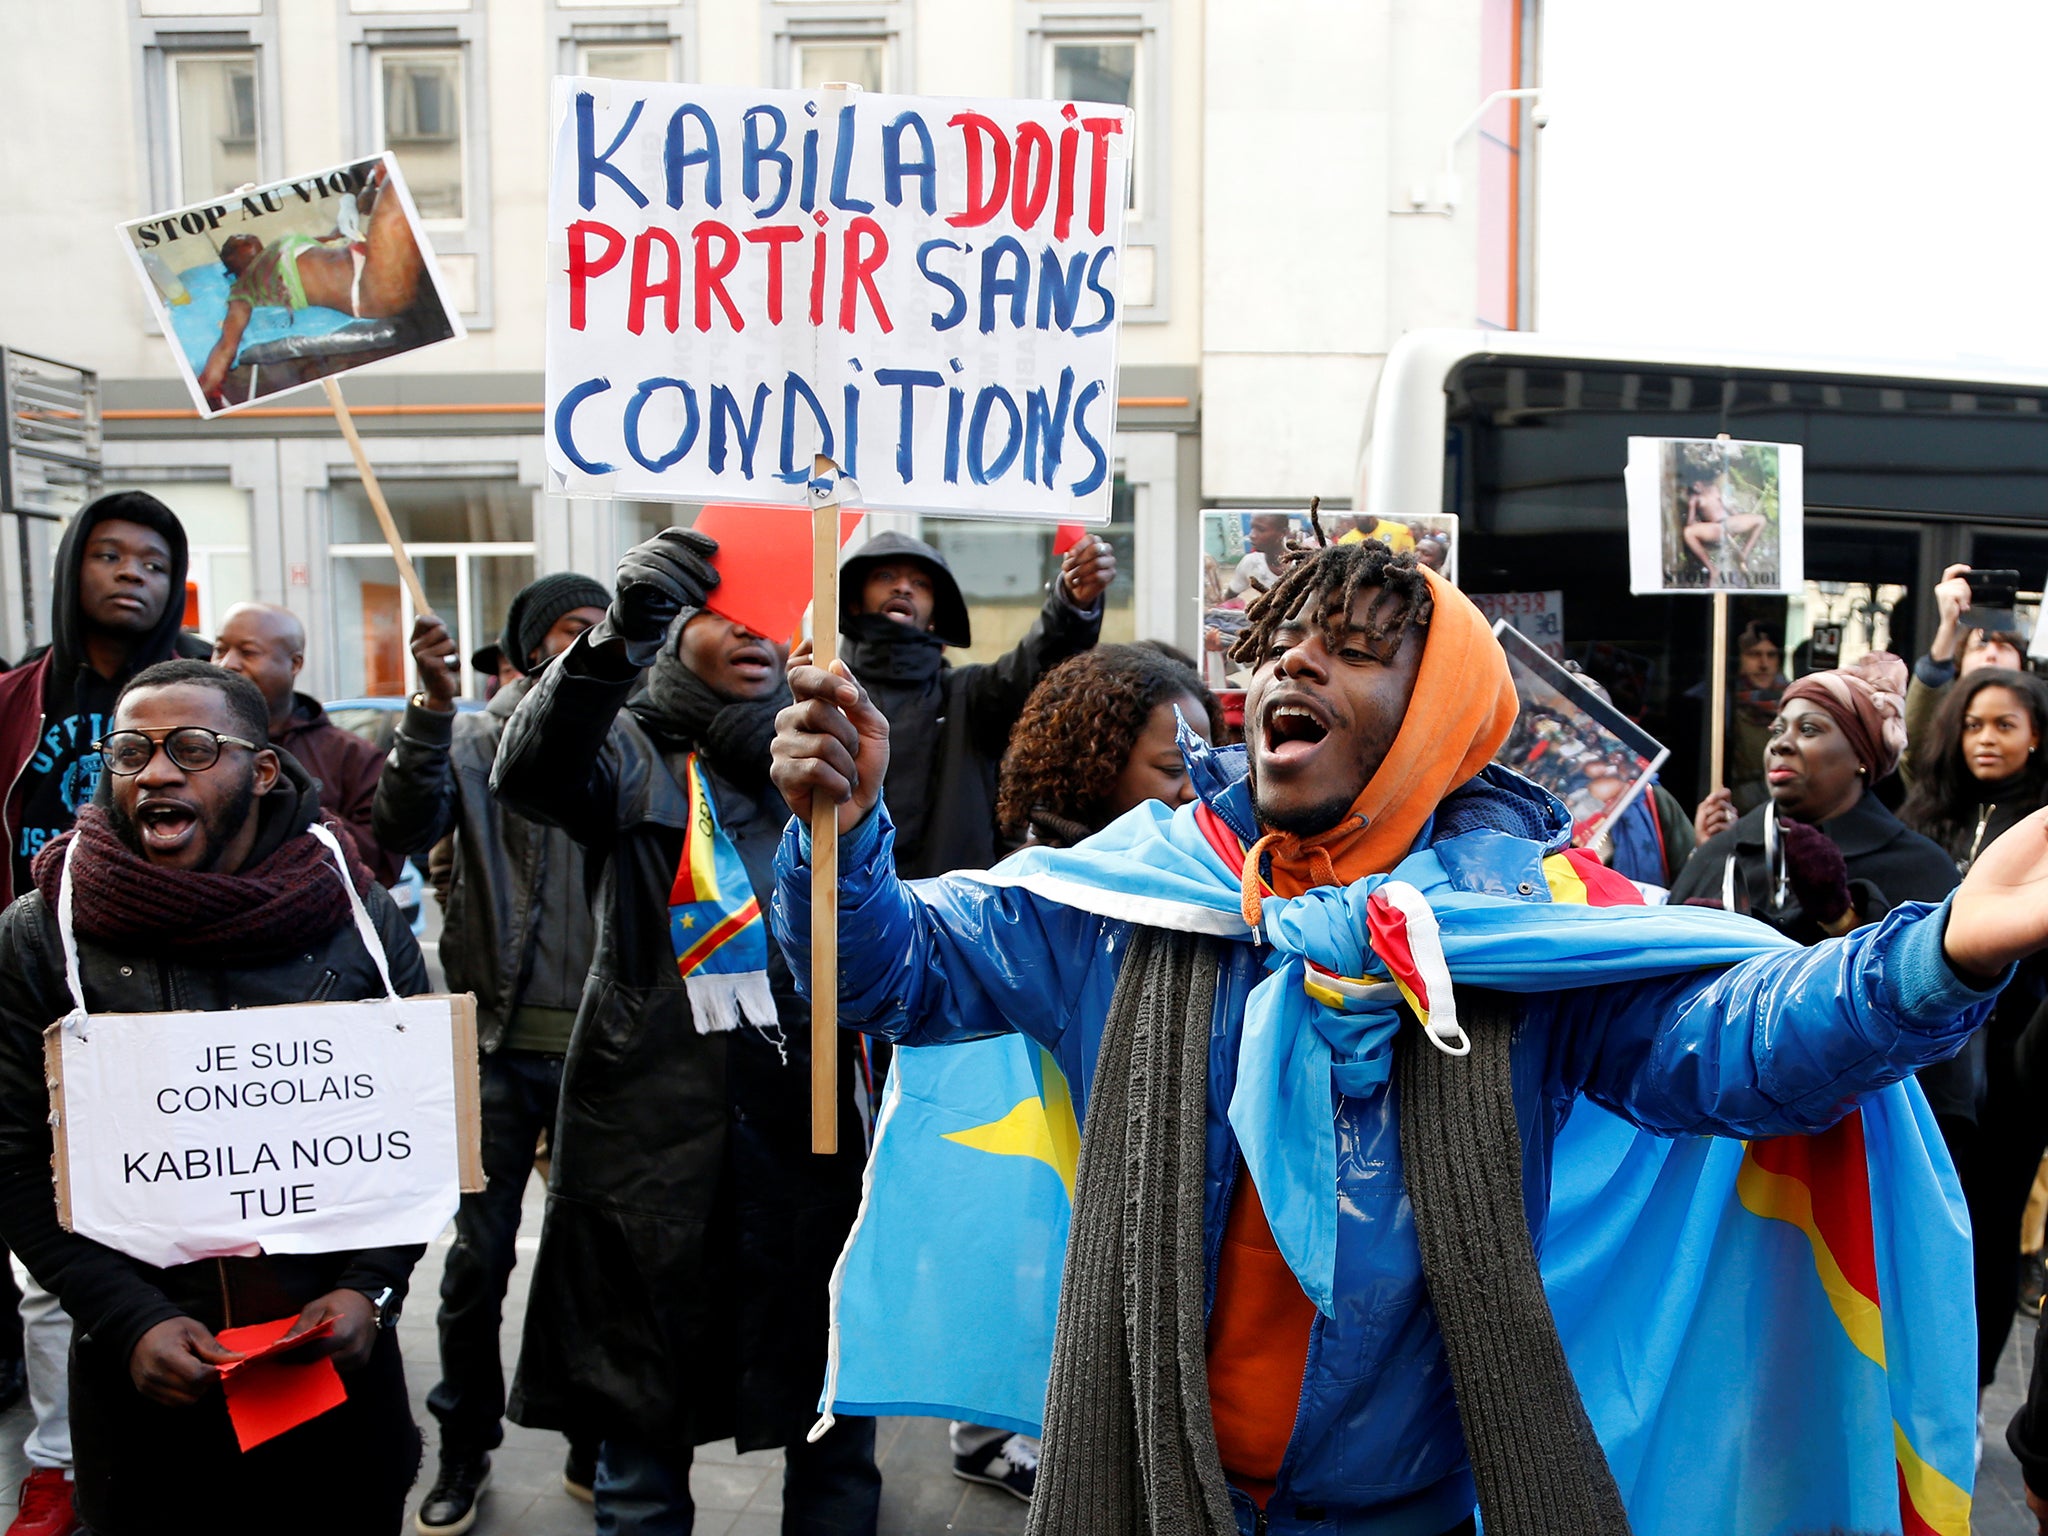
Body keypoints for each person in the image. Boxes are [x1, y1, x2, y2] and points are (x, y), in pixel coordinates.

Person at [769, 538, 2023, 1536]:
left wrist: (1940, 947)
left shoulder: (1515, 934)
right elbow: (885, 972)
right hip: (1136, 1487)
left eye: (1354, 653)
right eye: (1277, 650)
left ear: (1437, 715)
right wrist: (841, 834)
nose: (1292, 672)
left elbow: (1736, 1044)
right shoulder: (1129, 894)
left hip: (1406, 1509)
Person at [490, 530, 879, 1536]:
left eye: (771, 613)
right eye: (722, 611)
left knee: (836, 1436)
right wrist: (614, 640)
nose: (753, 634)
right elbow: (528, 774)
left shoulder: (830, 749)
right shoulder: (630, 740)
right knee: (639, 1455)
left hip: (810, 1134)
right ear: (677, 625)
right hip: (647, 1148)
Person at [0, 661, 431, 1536]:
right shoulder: (43, 933)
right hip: (149, 1393)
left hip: (330, 1369)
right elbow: (12, 1159)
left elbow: (423, 1137)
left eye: (193, 749)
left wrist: (370, 1292)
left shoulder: (364, 920)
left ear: (263, 771)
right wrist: (128, 1320)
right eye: (130, 752)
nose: (156, 773)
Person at [372, 574, 610, 1534]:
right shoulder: (474, 742)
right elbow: (398, 830)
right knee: (475, 1267)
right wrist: (429, 711)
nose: (591, 648)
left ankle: (597, 1437)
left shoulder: (631, 747)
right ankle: (462, 1449)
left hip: (605, 1053)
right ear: (524, 644)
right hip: (492, 1050)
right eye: (568, 631)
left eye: (608, 632)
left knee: (599, 1262)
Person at [0, 489, 209, 1536]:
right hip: (46, 1000)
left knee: (185, 1236)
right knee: (52, 1256)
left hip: (173, 1006)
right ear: (73, 564)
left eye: (156, 561)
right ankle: (58, 1463)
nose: (133, 574)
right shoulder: (14, 696)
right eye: (112, 554)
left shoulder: (206, 691)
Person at [1675, 654, 1983, 1161]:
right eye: (1778, 727)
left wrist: (1844, 920)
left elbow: (1938, 1048)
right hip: (1718, 1139)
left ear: (1861, 754)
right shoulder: (1721, 852)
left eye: (1811, 728)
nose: (1782, 741)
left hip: (1862, 1146)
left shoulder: (1919, 868)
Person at [1902, 668, 2048, 1394]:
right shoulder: (1928, 817)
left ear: (2036, 736)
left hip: (2014, 1068)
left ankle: (1970, 1385)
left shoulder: (2042, 825)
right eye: (1973, 724)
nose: (1985, 739)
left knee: (1987, 1226)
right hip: (1930, 1062)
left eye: (2004, 725)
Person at [839, 528, 1114, 880]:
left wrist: (1072, 605)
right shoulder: (831, 696)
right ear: (853, 601)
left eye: (920, 583)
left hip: (949, 917)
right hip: (842, 913)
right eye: (886, 576)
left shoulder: (968, 696)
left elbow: (1036, 664)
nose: (903, 588)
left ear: (936, 614)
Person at [197, 164, 427, 400]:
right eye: (234, 242)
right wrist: (207, 389)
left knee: (380, 176)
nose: (241, 236)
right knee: (392, 185)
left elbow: (337, 235)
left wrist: (355, 202)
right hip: (368, 288)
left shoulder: (283, 246)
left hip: (369, 259)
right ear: (232, 262)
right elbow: (227, 345)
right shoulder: (245, 287)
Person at [211, 601, 401, 886]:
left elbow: (381, 863)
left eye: (248, 652)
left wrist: (298, 812)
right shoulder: (192, 747)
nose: (227, 664)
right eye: (220, 649)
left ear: (295, 663)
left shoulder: (350, 756)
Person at [1904, 563, 2031, 784]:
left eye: (2004, 647)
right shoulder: (1938, 774)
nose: (1991, 654)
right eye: (1980, 646)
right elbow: (1915, 745)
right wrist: (1948, 627)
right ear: (1959, 667)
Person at [1724, 621, 1787, 812]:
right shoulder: (1723, 701)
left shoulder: (1792, 702)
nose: (1764, 664)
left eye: (1771, 655)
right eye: (1754, 655)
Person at [1679, 465, 1765, 577]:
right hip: (1716, 528)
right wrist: (1693, 514)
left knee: (1761, 520)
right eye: (1693, 485)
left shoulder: (1714, 489)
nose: (1695, 486)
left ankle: (1744, 553)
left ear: (1702, 482)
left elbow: (1728, 507)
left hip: (1729, 523)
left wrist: (1739, 517)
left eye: (1697, 483)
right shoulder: (1695, 499)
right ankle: (1711, 568)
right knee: (1688, 532)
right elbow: (1690, 523)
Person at [1225, 514, 1291, 598]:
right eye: (1252, 528)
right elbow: (1229, 596)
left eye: (1261, 530)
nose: (1252, 535)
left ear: (1283, 533)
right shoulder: (1250, 562)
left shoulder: (1301, 564)